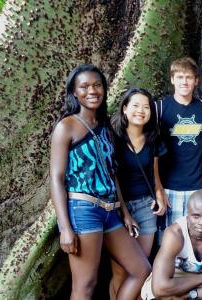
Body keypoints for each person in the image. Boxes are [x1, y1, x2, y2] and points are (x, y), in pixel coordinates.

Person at [50, 64, 150, 300]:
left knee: (141, 269)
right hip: (84, 210)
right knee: (85, 285)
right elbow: (56, 178)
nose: (91, 90)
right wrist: (65, 228)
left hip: (111, 211)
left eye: (97, 85)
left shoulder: (104, 126)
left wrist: (124, 211)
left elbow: (111, 172)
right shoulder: (66, 127)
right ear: (74, 92)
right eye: (84, 86)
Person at [109, 88, 168, 298]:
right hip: (117, 208)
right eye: (135, 105)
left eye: (146, 107)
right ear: (125, 109)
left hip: (145, 205)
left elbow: (154, 172)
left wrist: (159, 193)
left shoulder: (152, 138)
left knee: (141, 269)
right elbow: (110, 176)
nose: (141, 111)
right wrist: (124, 213)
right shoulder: (113, 137)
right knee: (120, 270)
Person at [156, 57, 202, 227]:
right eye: (180, 77)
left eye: (189, 77)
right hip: (168, 188)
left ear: (196, 81)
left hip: (197, 186)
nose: (184, 81)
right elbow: (152, 153)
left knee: (197, 237)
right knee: (169, 240)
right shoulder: (160, 108)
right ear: (172, 79)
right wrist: (159, 189)